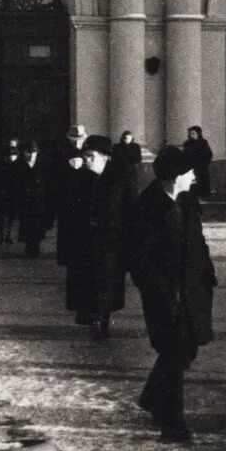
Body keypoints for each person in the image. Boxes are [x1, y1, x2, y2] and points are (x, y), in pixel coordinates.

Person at [131, 146, 216, 442]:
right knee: (175, 354)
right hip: (165, 295)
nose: (194, 176)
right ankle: (173, 425)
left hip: (193, 291)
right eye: (189, 172)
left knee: (184, 351)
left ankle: (152, 398)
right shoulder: (148, 207)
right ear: (175, 176)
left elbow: (198, 242)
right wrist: (162, 292)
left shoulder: (188, 202)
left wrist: (208, 274)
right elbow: (141, 259)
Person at [64, 135, 132, 339]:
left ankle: (101, 320)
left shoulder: (120, 179)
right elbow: (69, 213)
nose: (86, 160)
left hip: (110, 242)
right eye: (85, 156)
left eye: (91, 156)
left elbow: (130, 211)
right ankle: (92, 317)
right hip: (85, 242)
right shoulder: (79, 179)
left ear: (106, 157)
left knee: (106, 283)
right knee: (87, 282)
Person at [14, 141, 53, 258]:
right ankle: (28, 248)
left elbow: (48, 184)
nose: (30, 155)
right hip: (24, 201)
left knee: (37, 226)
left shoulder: (44, 165)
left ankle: (35, 249)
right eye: (28, 153)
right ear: (23, 153)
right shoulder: (18, 165)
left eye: (33, 153)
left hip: (39, 201)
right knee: (26, 225)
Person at [0, 138, 22, 245]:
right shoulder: (0, 165)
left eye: (14, 155)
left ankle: (9, 235)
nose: (12, 157)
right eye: (10, 155)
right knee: (2, 217)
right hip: (2, 194)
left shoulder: (18, 166)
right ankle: (2, 236)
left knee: (11, 217)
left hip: (12, 194)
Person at [182, 126, 215, 200]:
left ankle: (203, 195)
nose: (192, 136)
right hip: (190, 167)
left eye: (194, 134)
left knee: (202, 181)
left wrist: (205, 162)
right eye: (190, 134)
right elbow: (184, 154)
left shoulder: (203, 142)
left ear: (198, 134)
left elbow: (208, 153)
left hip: (201, 166)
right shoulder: (187, 143)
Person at [113, 130, 143, 198]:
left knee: (132, 190)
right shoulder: (117, 147)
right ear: (123, 138)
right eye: (125, 138)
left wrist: (129, 151)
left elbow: (138, 159)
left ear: (132, 139)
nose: (127, 140)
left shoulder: (135, 146)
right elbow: (114, 159)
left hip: (131, 171)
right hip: (120, 171)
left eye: (129, 138)